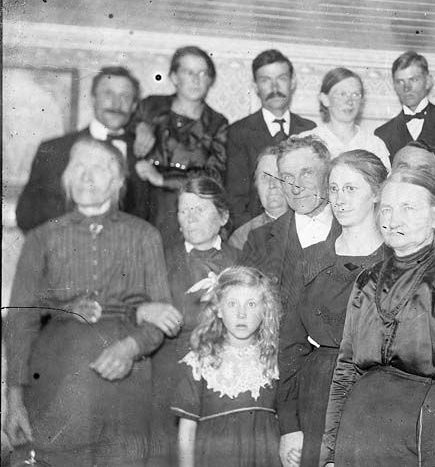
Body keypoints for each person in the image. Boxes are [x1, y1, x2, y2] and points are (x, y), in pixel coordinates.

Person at [4, 138, 171, 467]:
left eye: (98, 168)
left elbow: (161, 316)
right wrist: (14, 398)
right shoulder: (41, 238)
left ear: (117, 181)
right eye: (78, 166)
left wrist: (131, 348)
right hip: (58, 381)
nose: (86, 175)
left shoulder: (145, 236)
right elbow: (20, 320)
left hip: (126, 383)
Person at [321, 170, 435, 467]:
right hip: (358, 438)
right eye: (386, 209)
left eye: (408, 208)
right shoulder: (366, 282)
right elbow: (345, 374)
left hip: (425, 441)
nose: (394, 220)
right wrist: (329, 455)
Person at [278, 150, 387, 467]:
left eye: (350, 188)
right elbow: (290, 346)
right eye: (334, 189)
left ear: (376, 193)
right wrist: (290, 426)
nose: (339, 199)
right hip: (318, 396)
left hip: (379, 396)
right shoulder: (310, 259)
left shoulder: (398, 262)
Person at [143, 177, 242, 466]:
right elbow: (130, 307)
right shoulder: (159, 261)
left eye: (199, 209)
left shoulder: (242, 263)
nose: (190, 217)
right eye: (184, 210)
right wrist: (145, 310)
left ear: (223, 216)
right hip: (170, 379)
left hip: (226, 377)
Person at [171, 266, 282, 467]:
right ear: (219, 309)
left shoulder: (273, 361)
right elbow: (186, 432)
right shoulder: (200, 363)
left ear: (265, 310)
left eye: (251, 304)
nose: (241, 314)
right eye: (232, 304)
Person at [16, 66, 148, 232]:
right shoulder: (54, 150)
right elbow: (27, 215)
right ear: (92, 99)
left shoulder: (145, 154)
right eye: (108, 94)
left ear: (134, 105)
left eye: (125, 96)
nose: (116, 103)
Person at [133, 46, 229, 245]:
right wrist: (139, 126)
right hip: (143, 205)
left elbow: (215, 176)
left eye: (202, 73)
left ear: (210, 80)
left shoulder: (217, 123)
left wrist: (162, 179)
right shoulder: (150, 106)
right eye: (188, 72)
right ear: (174, 77)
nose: (196, 79)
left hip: (189, 208)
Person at [242, 136, 340, 305]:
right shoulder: (259, 241)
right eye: (287, 177)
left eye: (306, 173)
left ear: (327, 176)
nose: (296, 187)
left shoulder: (353, 231)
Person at [226, 49, 316, 228]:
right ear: (255, 86)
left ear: (293, 82)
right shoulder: (238, 132)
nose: (274, 88)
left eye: (281, 78)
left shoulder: (309, 129)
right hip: (257, 233)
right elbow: (236, 199)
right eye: (265, 80)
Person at [374, 50, 435, 163]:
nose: (406, 87)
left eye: (413, 79)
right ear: (394, 86)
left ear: (428, 81)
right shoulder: (383, 134)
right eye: (400, 81)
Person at [298, 67, 390, 167]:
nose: (349, 101)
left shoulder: (374, 145)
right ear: (325, 99)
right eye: (342, 94)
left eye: (355, 94)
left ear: (362, 101)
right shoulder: (306, 142)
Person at [228, 146, 288, 249]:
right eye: (264, 177)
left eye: (279, 176)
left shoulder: (311, 227)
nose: (272, 184)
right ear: (256, 186)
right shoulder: (242, 239)